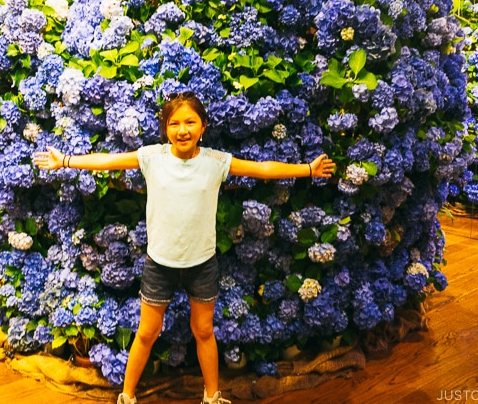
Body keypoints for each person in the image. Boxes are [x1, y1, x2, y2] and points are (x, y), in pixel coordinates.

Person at [33, 91, 336, 404]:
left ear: (202, 126)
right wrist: (65, 161)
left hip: (202, 265)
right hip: (159, 265)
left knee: (204, 331)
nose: (182, 129)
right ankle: (127, 396)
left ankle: (212, 396)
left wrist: (308, 169)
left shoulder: (216, 162)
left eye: (190, 122)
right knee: (147, 333)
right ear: (165, 129)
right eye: (174, 123)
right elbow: (108, 161)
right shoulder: (151, 157)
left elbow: (263, 169)